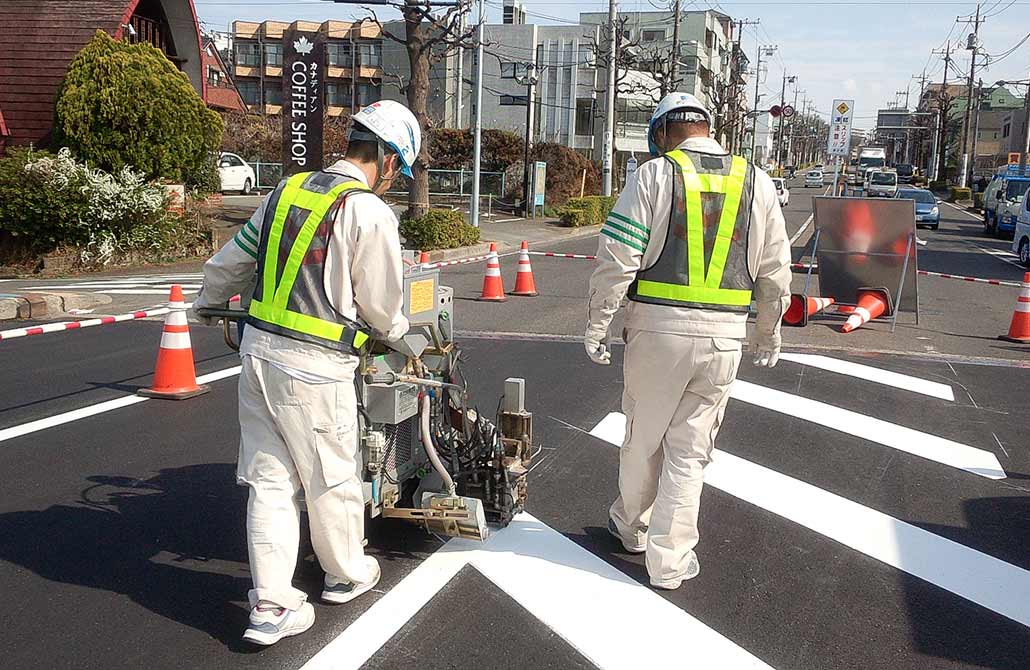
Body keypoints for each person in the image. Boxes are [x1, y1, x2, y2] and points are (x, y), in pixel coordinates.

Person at [192, 100, 419, 645]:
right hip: (316, 368)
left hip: (258, 358)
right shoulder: (367, 211)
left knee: (269, 480)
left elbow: (232, 261)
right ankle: (345, 574)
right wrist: (400, 335)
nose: (394, 181)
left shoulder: (285, 191)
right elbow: (383, 308)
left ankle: (271, 605)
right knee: (331, 475)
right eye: (398, 171)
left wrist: (207, 303)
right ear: (388, 158)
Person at [585, 92, 791, 590]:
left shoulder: (654, 175)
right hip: (724, 340)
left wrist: (599, 323)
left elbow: (618, 257)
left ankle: (631, 527)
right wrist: (767, 331)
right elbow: (775, 270)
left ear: (661, 133)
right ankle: (671, 564)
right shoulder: (757, 181)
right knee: (690, 451)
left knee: (643, 437)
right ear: (707, 128)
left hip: (657, 333)